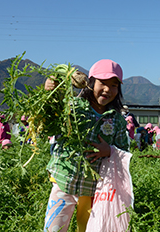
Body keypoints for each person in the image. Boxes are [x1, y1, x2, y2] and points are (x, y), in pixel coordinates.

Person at [43, 59, 129, 232]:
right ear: (89, 83)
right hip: (64, 182)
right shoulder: (72, 107)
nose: (107, 89)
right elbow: (47, 125)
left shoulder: (117, 120)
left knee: (89, 229)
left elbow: (124, 153)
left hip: (93, 190)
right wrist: (49, 96)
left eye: (114, 85)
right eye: (102, 83)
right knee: (54, 229)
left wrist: (109, 151)